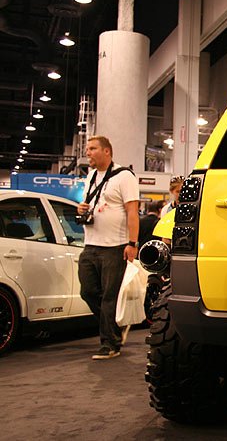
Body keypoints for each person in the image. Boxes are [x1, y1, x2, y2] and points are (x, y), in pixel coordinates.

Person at [77, 136, 140, 360]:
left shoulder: (124, 176)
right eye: (87, 149)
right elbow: (91, 205)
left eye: (93, 149)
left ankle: (109, 344)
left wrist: (132, 243)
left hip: (115, 246)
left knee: (109, 297)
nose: (88, 152)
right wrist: (81, 208)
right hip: (90, 244)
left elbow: (133, 211)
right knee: (88, 291)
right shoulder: (91, 176)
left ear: (107, 151)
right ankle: (114, 327)